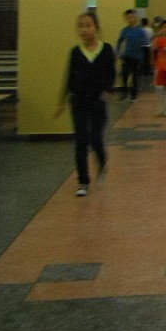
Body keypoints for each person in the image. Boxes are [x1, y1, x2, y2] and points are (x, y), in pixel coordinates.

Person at [56, 11, 115, 197]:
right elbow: (69, 76)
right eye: (80, 26)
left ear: (96, 27)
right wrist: (62, 101)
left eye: (88, 25)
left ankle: (102, 162)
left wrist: (108, 90)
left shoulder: (106, 49)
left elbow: (111, 72)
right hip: (79, 101)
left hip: (98, 101)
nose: (84, 29)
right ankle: (83, 181)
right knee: (81, 141)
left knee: (96, 137)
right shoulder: (75, 52)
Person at [116, 9, 148, 101]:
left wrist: (145, 58)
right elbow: (119, 42)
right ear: (126, 19)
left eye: (133, 17)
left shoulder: (140, 31)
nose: (131, 19)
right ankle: (124, 93)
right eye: (129, 18)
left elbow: (145, 44)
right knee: (124, 75)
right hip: (127, 56)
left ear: (136, 18)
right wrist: (118, 52)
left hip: (137, 57)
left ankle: (134, 95)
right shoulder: (125, 30)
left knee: (135, 77)